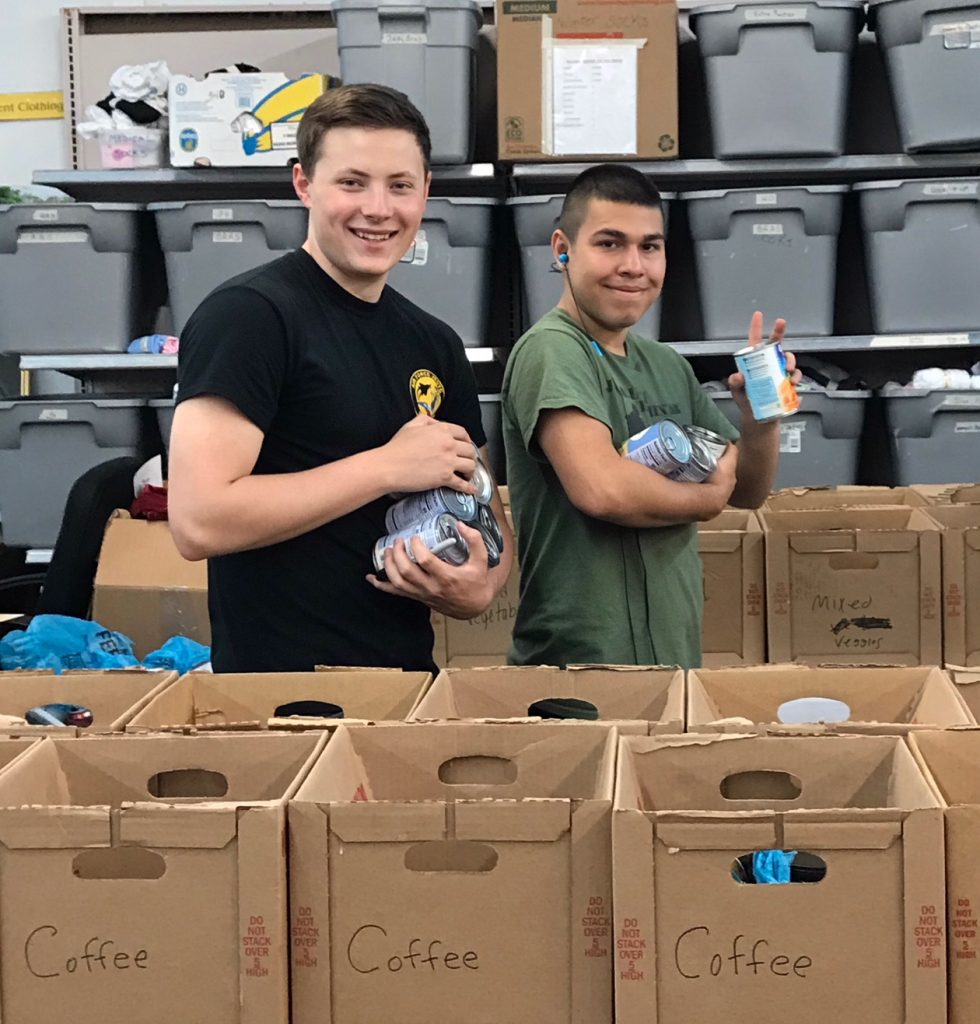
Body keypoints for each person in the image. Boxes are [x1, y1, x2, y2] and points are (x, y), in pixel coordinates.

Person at [168, 84, 512, 673]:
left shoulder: (435, 343)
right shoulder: (249, 316)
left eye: (400, 185)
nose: (378, 209)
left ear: (426, 191)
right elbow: (199, 521)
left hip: (408, 690)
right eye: (352, 182)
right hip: (281, 700)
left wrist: (482, 584)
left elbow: (486, 513)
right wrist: (385, 468)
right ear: (304, 184)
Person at [502, 164, 799, 668]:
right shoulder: (551, 351)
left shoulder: (665, 364)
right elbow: (602, 489)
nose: (633, 266)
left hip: (673, 658)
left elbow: (747, 490)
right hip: (581, 671)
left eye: (650, 247)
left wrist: (761, 419)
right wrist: (705, 497)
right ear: (562, 249)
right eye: (610, 244)